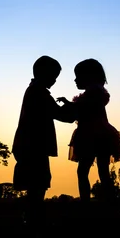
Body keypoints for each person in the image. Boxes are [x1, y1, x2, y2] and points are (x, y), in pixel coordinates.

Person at [12, 55, 75, 228]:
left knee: (36, 186)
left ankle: (33, 220)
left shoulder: (34, 90)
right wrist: (77, 107)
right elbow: (62, 116)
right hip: (33, 146)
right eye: (53, 76)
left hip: (28, 145)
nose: (54, 81)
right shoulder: (39, 92)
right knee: (37, 186)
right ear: (44, 74)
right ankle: (34, 222)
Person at [57, 58, 120, 203]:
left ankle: (87, 203)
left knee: (84, 171)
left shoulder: (94, 93)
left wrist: (68, 104)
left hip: (92, 135)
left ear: (89, 77)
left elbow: (83, 108)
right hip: (99, 134)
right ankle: (106, 202)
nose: (75, 80)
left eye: (78, 76)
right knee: (101, 171)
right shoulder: (96, 93)